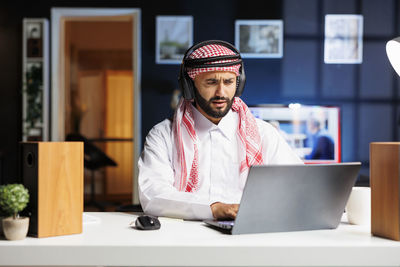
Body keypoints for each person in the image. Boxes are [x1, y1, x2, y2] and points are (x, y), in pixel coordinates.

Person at [138, 40, 302, 221]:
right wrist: (213, 209)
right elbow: (153, 194)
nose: (221, 92)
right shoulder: (162, 135)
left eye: (229, 81)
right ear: (190, 86)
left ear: (238, 84)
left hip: (248, 235)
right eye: (211, 82)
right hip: (185, 237)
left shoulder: (264, 134)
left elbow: (298, 185)